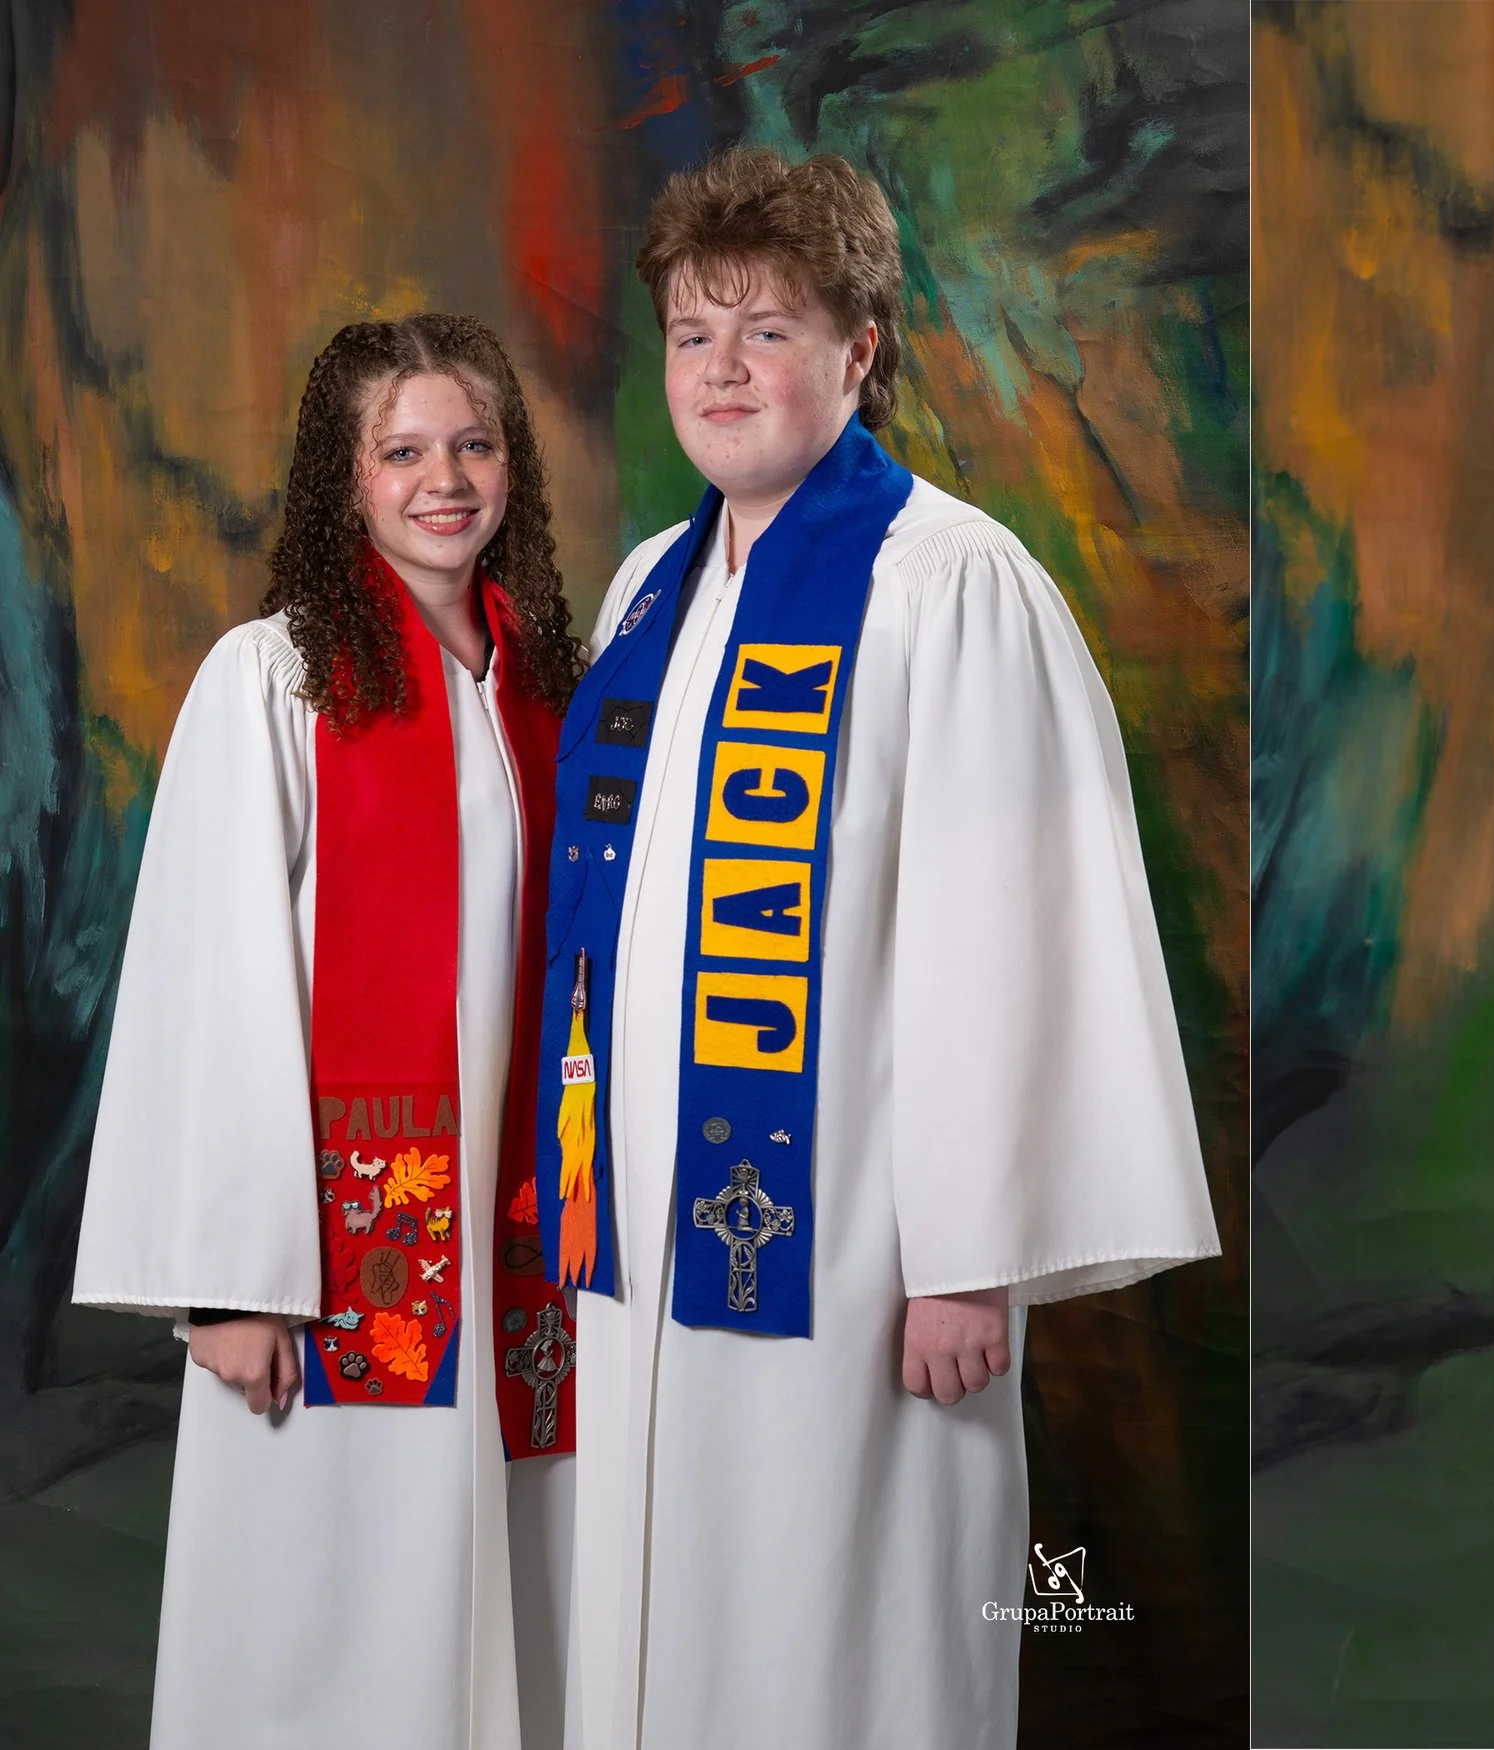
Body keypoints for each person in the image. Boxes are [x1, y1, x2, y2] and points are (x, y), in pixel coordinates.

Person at [540, 147, 1220, 1749]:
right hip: (637, 1243)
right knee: (660, 1626)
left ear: (859, 349)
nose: (721, 370)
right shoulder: (650, 592)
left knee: (834, 1634)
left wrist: (969, 1257)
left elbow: (1013, 945)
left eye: (766, 331)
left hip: (855, 1254)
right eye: (693, 334)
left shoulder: (949, 586)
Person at [73, 316, 583, 1748]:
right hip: (337, 1242)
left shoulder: (547, 682)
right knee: (330, 1587)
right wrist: (231, 1281)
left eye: (474, 444)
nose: (445, 479)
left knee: (514, 1575)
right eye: (401, 451)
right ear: (342, 479)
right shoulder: (277, 679)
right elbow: (209, 979)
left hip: (515, 1229)